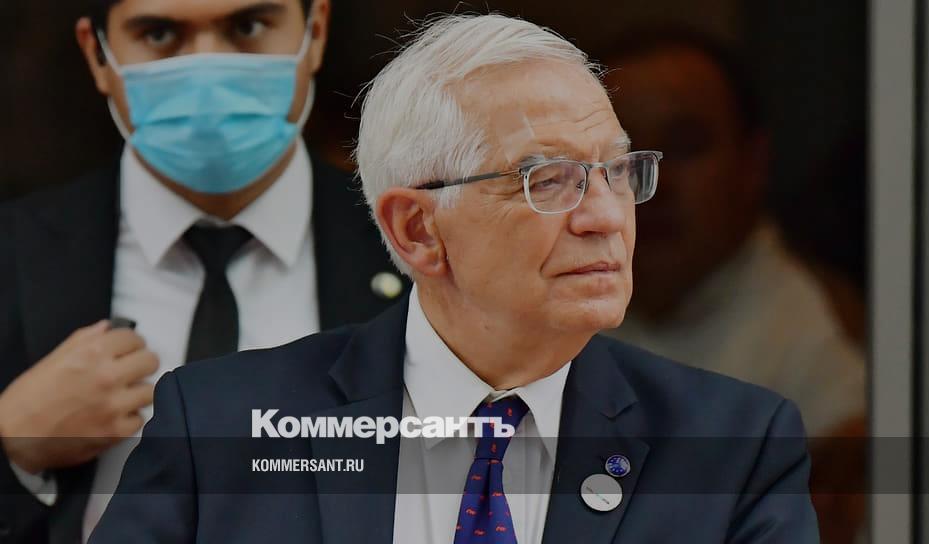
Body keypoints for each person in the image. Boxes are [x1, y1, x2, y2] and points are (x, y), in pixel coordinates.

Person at [89, 14, 818, 543]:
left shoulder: (735, 443)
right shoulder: (220, 424)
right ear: (417, 229)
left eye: (618, 171)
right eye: (548, 179)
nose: (605, 216)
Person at [0, 0, 406, 542]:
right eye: (159, 33)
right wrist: (13, 444)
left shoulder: (418, 252)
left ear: (316, 32)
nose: (207, 68)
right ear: (97, 53)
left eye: (248, 26)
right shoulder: (15, 253)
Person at [600, 31, 865, 440]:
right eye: (622, 156)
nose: (651, 184)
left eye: (685, 147)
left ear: (753, 163)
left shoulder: (827, 354)